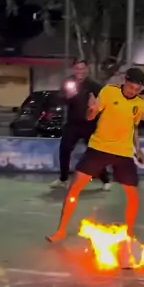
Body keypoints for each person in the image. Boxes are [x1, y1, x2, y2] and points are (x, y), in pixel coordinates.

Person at [47, 67, 144, 243]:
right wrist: (91, 109)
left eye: (137, 89)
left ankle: (130, 234)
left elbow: (134, 128)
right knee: (75, 188)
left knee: (133, 196)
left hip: (123, 152)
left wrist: (138, 149)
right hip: (99, 148)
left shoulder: (139, 104)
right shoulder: (108, 92)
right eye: (131, 87)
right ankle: (61, 231)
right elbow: (91, 117)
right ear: (125, 81)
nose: (133, 91)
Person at [50, 58, 110, 191]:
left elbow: (105, 102)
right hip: (72, 124)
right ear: (73, 69)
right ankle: (63, 179)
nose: (80, 71)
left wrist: (96, 104)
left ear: (87, 70)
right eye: (77, 69)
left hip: (90, 125)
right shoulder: (68, 83)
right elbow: (58, 99)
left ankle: (105, 180)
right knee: (64, 149)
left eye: (82, 69)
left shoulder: (94, 85)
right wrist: (67, 97)